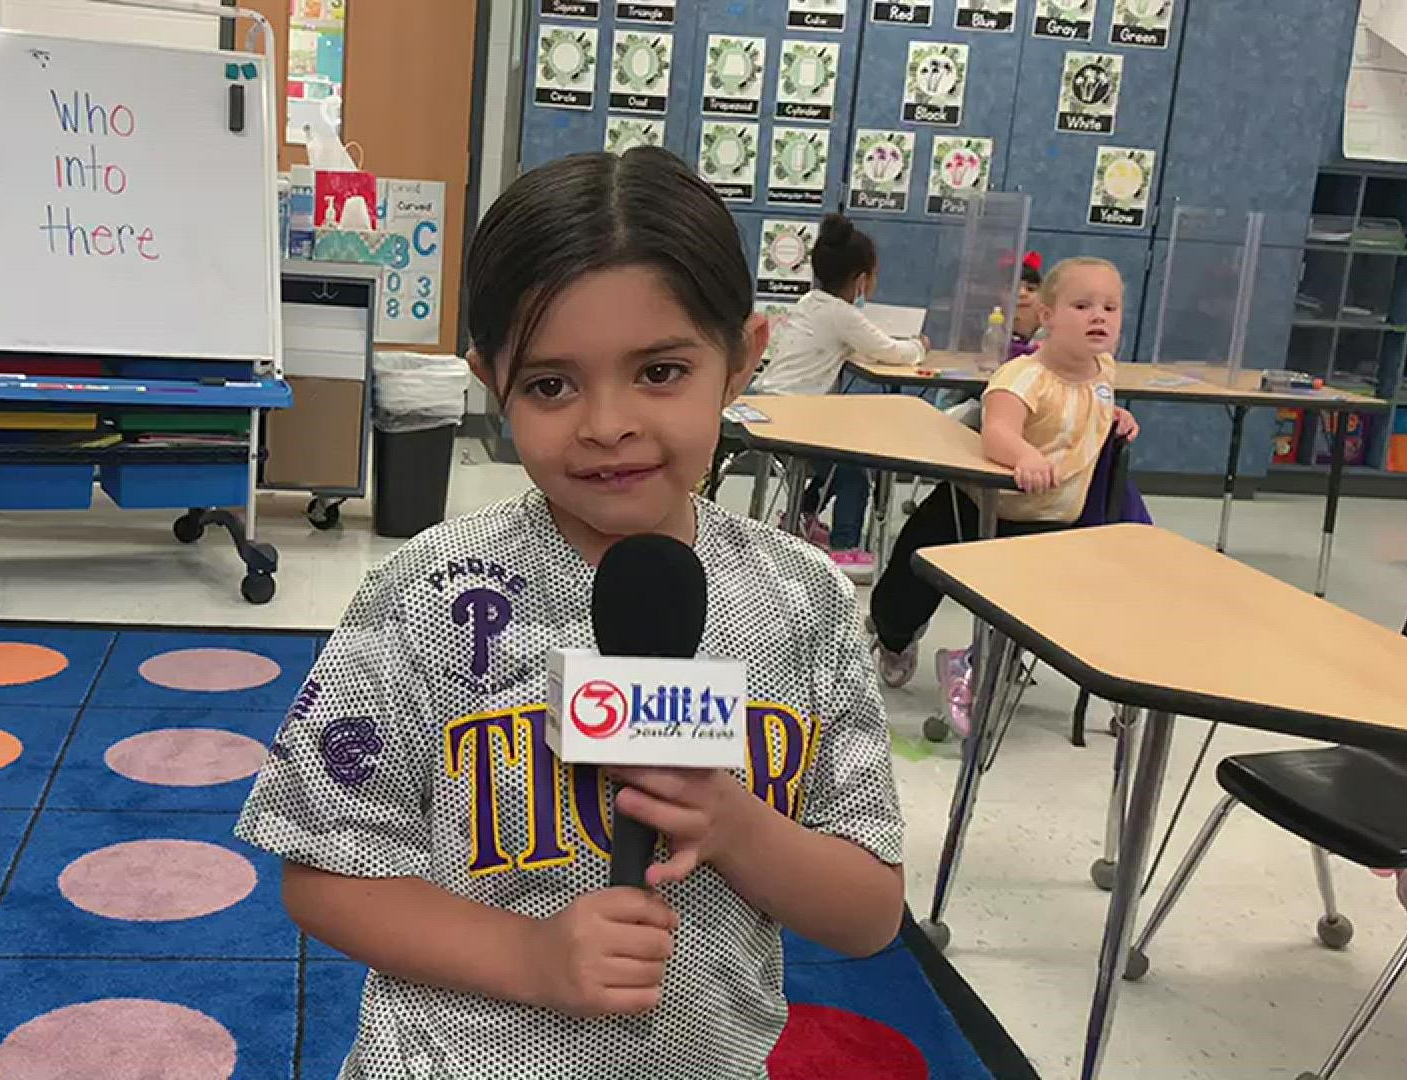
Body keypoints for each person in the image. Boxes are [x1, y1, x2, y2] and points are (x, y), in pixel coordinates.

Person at [235, 147, 905, 1080]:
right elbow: (323, 872)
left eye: (661, 371)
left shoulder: (807, 603)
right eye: (551, 384)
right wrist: (533, 958)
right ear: (490, 379)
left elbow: (870, 911)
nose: (606, 423)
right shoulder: (426, 592)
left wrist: (733, 825)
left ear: (744, 358)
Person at [867, 256, 1140, 690]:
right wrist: (1024, 455)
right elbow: (997, 432)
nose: (1099, 317)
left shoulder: (1103, 370)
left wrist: (1115, 417)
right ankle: (894, 637)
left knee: (1025, 605)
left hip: (1052, 517)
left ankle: (984, 662)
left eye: (1110, 308)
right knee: (911, 581)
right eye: (1082, 306)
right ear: (1047, 317)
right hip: (981, 506)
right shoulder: (1023, 378)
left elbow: (1089, 410)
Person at [750, 213, 926, 579]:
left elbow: (850, 346)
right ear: (861, 280)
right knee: (853, 473)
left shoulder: (810, 303)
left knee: (831, 461)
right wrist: (919, 346)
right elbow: (892, 351)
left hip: (768, 403)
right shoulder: (842, 314)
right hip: (794, 418)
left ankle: (801, 514)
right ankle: (845, 551)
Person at [1009, 251, 1044, 359]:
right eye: (1013, 289)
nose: (1022, 294)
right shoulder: (994, 329)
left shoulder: (1050, 331)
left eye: (1031, 289)